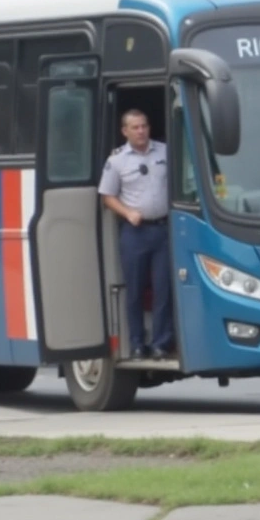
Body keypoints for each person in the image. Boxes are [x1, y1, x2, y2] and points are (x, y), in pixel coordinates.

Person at [99, 109, 174, 360]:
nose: (141, 131)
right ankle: (137, 343)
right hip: (135, 233)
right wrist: (128, 212)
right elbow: (107, 197)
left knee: (164, 288)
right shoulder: (117, 161)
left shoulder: (165, 152)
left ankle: (162, 342)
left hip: (163, 229)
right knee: (135, 290)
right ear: (125, 131)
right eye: (135, 127)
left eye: (144, 126)